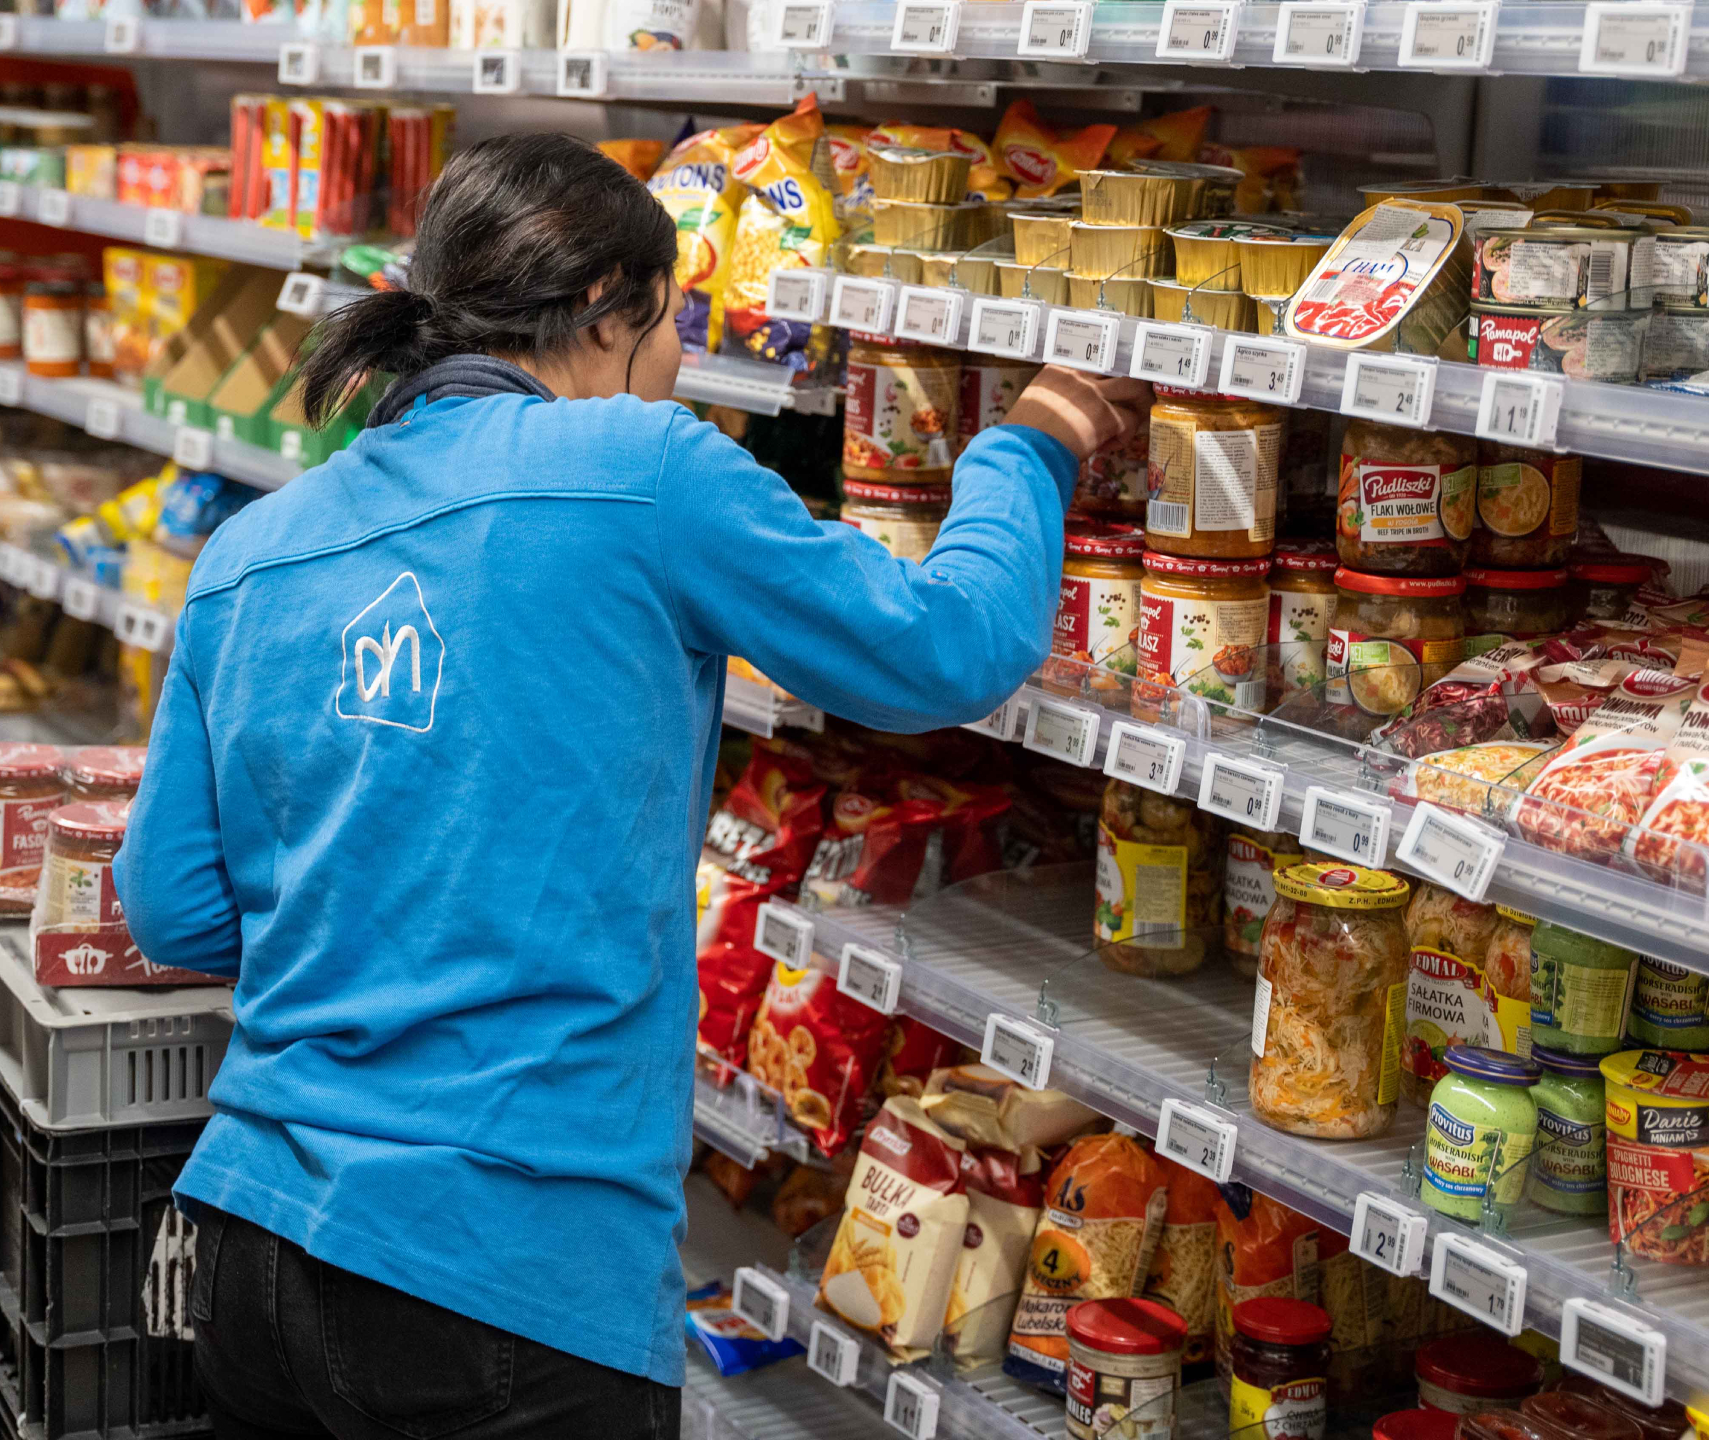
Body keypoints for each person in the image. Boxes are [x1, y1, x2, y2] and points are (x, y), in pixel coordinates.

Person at [117, 131, 1150, 1439]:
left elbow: (175, 912)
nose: (673, 368)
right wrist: (1034, 443)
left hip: (248, 1244)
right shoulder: (641, 468)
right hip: (509, 1273)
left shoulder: (250, 551)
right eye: (670, 329)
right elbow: (946, 650)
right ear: (610, 312)